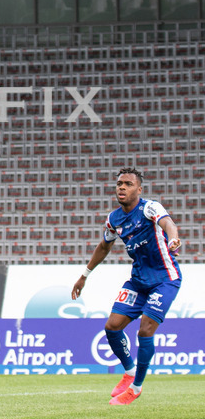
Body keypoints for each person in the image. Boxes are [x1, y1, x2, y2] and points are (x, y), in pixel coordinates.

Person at [71, 167, 182, 406]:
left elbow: (168, 223)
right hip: (138, 281)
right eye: (119, 183)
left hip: (165, 278)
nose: (122, 187)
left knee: (145, 330)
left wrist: (173, 237)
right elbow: (104, 247)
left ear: (139, 189)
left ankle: (136, 387)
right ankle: (129, 371)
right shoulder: (114, 219)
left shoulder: (150, 208)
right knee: (112, 327)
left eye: (128, 184)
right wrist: (84, 275)